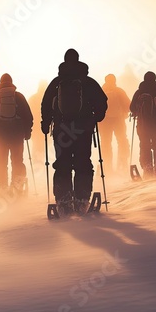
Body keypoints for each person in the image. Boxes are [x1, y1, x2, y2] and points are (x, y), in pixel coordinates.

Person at [41, 49, 107, 214]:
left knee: (62, 164)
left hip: (61, 130)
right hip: (82, 129)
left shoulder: (57, 82)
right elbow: (102, 101)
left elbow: (46, 103)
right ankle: (81, 199)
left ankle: (63, 200)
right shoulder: (87, 81)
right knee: (82, 162)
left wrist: (46, 123)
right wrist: (97, 117)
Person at [0, 73, 33, 193]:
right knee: (17, 160)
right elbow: (28, 116)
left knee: (0, 159)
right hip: (17, 134)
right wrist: (27, 132)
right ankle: (18, 185)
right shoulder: (18, 97)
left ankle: (0, 186)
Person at [130, 71, 156, 178]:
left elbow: (132, 108)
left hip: (143, 125)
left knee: (144, 145)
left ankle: (147, 167)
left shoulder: (138, 93)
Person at [99, 74, 131, 174]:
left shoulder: (100, 92)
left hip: (104, 122)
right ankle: (122, 160)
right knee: (121, 140)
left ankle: (107, 164)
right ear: (114, 80)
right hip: (118, 120)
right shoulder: (119, 91)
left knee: (105, 143)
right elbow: (128, 105)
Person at [28, 80, 48, 164]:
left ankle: (37, 167)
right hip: (46, 127)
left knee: (36, 149)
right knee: (46, 149)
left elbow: (27, 114)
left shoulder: (33, 98)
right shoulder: (49, 98)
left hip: (35, 129)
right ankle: (44, 168)